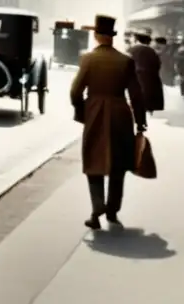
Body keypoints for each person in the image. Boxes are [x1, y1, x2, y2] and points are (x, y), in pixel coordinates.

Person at [70, 15, 147, 230]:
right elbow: (136, 94)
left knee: (93, 159)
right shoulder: (126, 61)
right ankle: (112, 209)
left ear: (96, 36)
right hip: (120, 113)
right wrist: (140, 122)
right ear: (112, 37)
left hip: (95, 111)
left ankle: (97, 208)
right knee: (119, 163)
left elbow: (75, 91)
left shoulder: (87, 59)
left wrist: (81, 111)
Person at [127, 29, 164, 115]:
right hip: (149, 77)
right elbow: (157, 64)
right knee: (148, 93)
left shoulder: (131, 50)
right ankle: (149, 109)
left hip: (135, 76)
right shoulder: (151, 51)